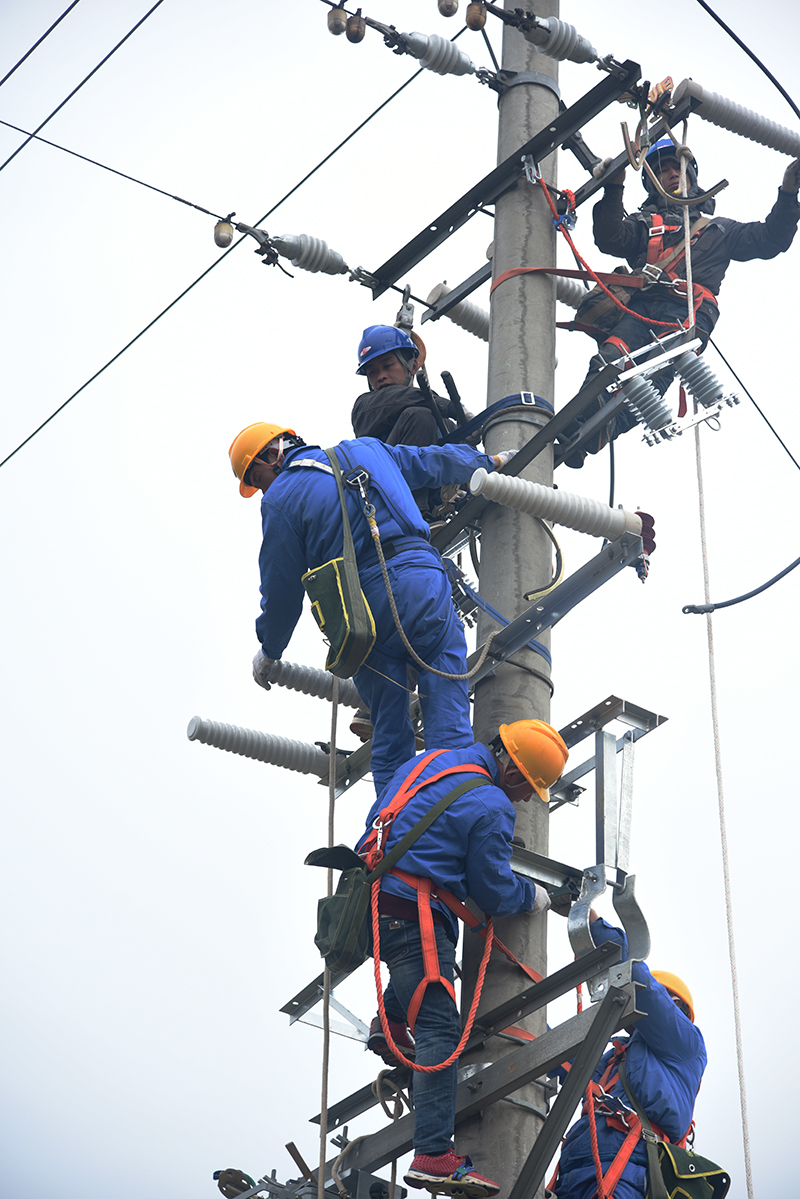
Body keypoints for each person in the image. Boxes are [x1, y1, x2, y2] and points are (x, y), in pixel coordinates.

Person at [229, 422, 516, 796]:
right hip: (421, 581)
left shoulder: (280, 498)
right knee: (447, 703)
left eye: (259, 477)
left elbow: (281, 588)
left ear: (273, 454)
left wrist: (270, 649)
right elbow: (432, 463)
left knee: (389, 728)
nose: (264, 487)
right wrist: (488, 462)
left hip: (360, 609)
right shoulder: (366, 449)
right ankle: (454, 809)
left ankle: (395, 828)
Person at [356, 720, 569, 1199]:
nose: (527, 800)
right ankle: (432, 1154)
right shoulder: (491, 803)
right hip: (413, 913)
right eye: (531, 789)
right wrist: (530, 896)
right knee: (439, 1028)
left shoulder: (435, 760)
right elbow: (492, 889)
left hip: (376, 893)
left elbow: (383, 812)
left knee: (416, 977)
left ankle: (387, 1021)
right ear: (515, 773)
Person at [561, 139, 800, 465]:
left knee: (653, 374)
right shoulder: (645, 225)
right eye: (662, 170)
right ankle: (581, 426)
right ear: (652, 182)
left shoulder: (719, 230)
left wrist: (788, 191)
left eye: (678, 167)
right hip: (644, 306)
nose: (672, 173)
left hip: (689, 310)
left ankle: (603, 427)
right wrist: (614, 186)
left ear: (692, 177)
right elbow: (610, 237)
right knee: (607, 362)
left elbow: (771, 239)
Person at [551, 913, 706, 1199]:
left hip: (628, 1172)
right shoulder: (614, 1059)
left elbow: (639, 983)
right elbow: (555, 1060)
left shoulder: (685, 1045)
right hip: (574, 1174)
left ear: (678, 1010)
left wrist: (590, 919)